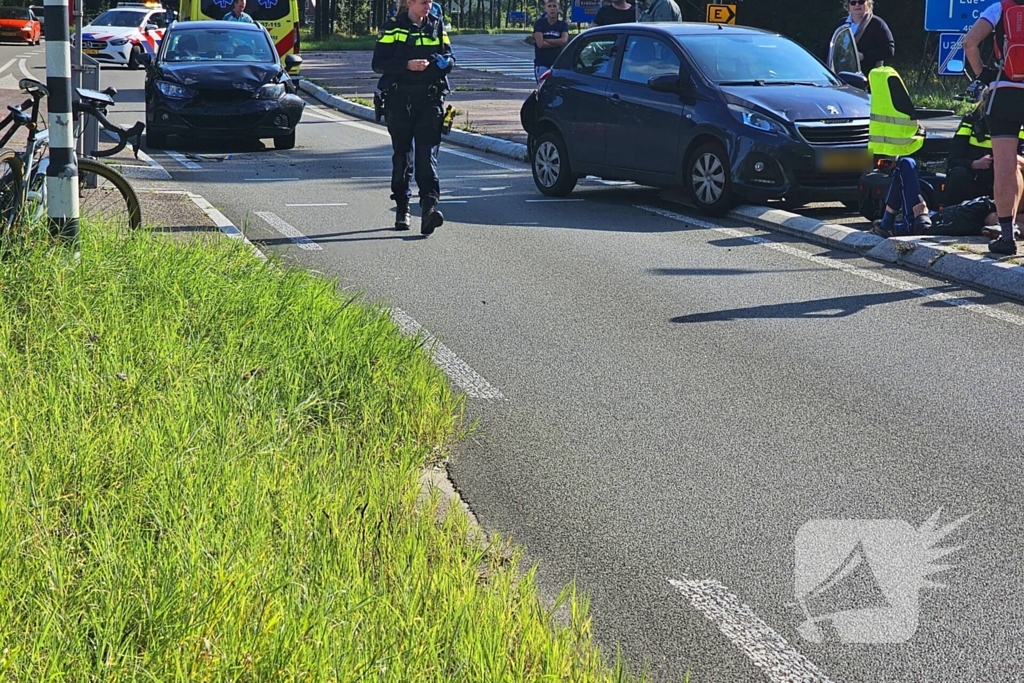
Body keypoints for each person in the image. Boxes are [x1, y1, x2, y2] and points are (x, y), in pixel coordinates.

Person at [372, 0, 454, 234]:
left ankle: (429, 209)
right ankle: (402, 208)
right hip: (399, 101)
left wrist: (445, 63)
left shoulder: (437, 26)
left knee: (427, 157)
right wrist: (406, 65)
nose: (427, 6)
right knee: (402, 157)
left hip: (430, 101)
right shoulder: (393, 26)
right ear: (409, 3)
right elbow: (378, 63)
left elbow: (450, 57)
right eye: (422, 2)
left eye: (429, 2)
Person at [964, 1, 1024, 255]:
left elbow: (970, 43)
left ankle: (1006, 237)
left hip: (1004, 93)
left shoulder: (999, 8)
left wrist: (983, 76)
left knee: (1005, 167)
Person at [871, 156, 1023, 239]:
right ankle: (889, 225)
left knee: (905, 163)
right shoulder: (987, 206)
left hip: (919, 221)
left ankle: (887, 223)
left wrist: (921, 215)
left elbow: (924, 232)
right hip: (933, 214)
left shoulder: (970, 222)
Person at [832, 0, 893, 73]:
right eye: (853, 3)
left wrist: (864, 56)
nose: (857, 5)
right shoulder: (841, 24)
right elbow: (830, 47)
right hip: (841, 74)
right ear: (848, 6)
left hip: (868, 76)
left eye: (861, 2)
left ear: (868, 4)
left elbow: (889, 49)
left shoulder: (877, 24)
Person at [532, 0, 568, 83]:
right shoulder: (539, 23)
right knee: (543, 88)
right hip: (542, 64)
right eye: (549, 6)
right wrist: (557, 42)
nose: (552, 9)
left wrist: (545, 39)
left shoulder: (563, 25)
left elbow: (563, 41)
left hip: (558, 64)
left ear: (559, 9)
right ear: (545, 9)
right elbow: (540, 44)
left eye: (554, 6)